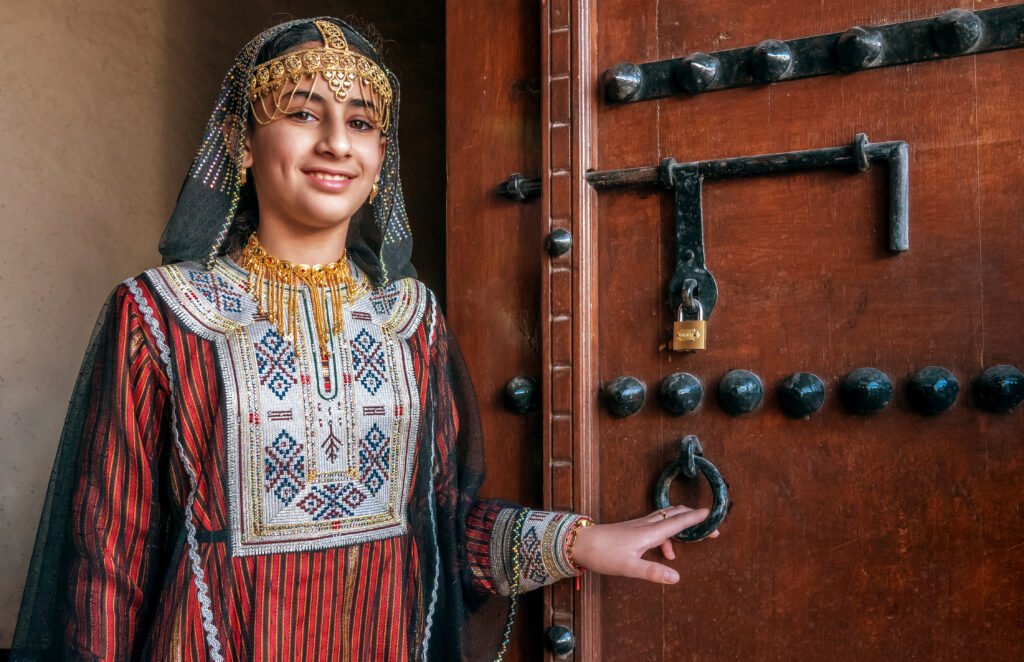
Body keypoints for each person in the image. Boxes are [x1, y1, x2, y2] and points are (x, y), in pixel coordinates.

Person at [12, 17, 719, 661]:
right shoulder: (164, 315)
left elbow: (440, 527)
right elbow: (106, 563)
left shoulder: (410, 320)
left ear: (382, 156)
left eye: (361, 122)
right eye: (301, 113)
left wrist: (579, 541)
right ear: (241, 142)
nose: (336, 144)